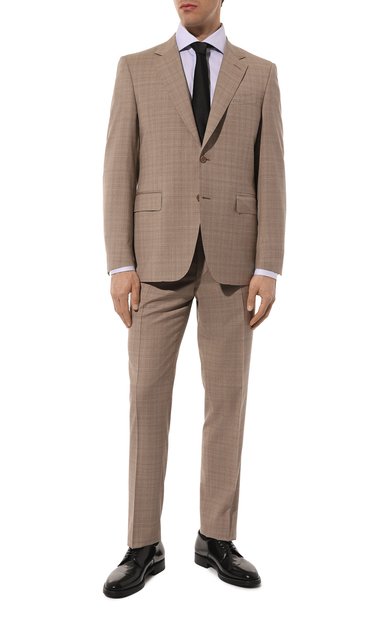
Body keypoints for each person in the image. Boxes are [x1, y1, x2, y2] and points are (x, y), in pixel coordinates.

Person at [102, 0, 286, 597]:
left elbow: (271, 173)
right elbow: (118, 167)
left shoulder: (259, 74)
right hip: (155, 259)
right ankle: (142, 544)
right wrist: (121, 263)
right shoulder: (136, 68)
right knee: (146, 399)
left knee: (227, 401)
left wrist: (268, 266)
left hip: (233, 260)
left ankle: (217, 537)